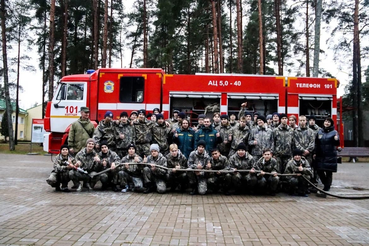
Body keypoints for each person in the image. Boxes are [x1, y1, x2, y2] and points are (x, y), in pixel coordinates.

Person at [314, 118, 340, 198]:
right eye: (325, 121)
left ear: (331, 124)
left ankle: (327, 186)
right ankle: (325, 183)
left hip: (330, 155)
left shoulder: (334, 132)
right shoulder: (320, 132)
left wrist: (336, 139)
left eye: (328, 122)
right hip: (320, 154)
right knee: (319, 170)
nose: (327, 123)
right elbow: (316, 143)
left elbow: (337, 143)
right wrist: (315, 152)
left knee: (329, 171)